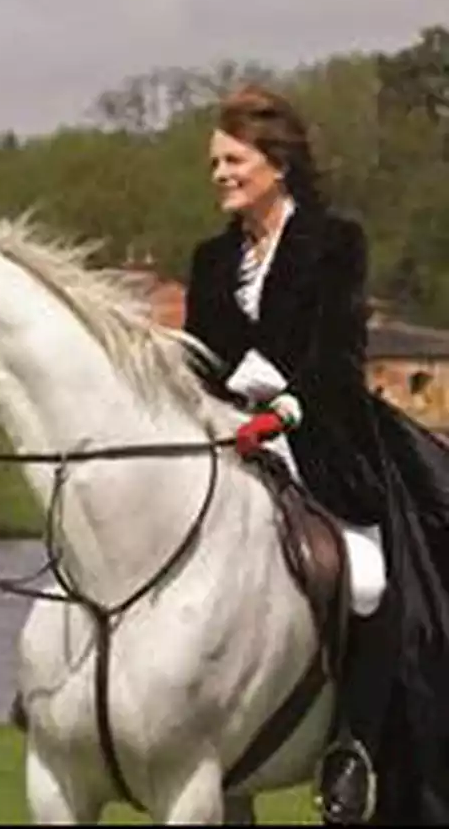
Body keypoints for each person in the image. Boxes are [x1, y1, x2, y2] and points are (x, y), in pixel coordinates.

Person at [181, 83, 449, 824]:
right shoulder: (210, 261)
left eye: (232, 160)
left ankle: (354, 749)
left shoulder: (336, 242)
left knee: (363, 577)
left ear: (277, 163)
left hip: (327, 433)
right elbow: (203, 357)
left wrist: (281, 412)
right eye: (214, 164)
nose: (220, 175)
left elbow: (336, 356)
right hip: (230, 434)